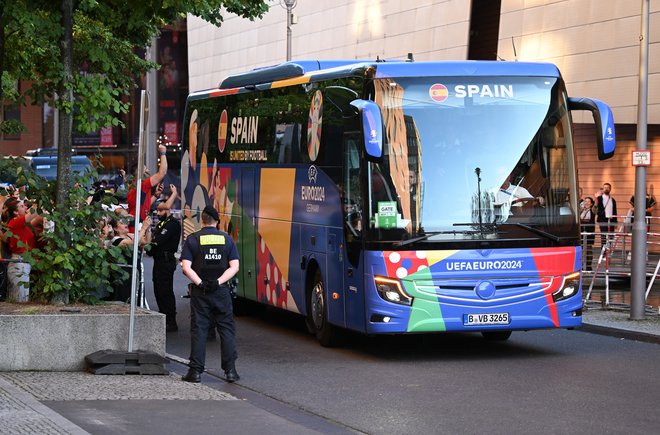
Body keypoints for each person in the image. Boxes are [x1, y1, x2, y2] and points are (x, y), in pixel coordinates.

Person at [180, 205, 240, 384]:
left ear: (202, 220)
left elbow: (185, 267)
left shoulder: (193, 239)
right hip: (221, 291)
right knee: (226, 330)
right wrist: (219, 282)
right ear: (217, 221)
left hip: (200, 292)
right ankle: (230, 371)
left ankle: (195, 372)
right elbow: (234, 266)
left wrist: (200, 283)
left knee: (199, 330)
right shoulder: (227, 240)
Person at [147, 186, 180, 332]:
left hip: (166, 261)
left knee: (165, 291)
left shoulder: (171, 224)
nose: (158, 213)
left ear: (168, 210)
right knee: (158, 291)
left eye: (160, 210)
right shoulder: (161, 224)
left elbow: (156, 241)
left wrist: (152, 242)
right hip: (159, 260)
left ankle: (170, 320)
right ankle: (164, 317)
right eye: (157, 210)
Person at [1, 198, 42, 302]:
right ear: (15, 212)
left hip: (23, 262)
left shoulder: (22, 225)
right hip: (19, 263)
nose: (25, 207)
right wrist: (40, 200)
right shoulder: (15, 221)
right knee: (20, 301)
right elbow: (34, 213)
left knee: (21, 299)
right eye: (21, 206)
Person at [108, 215, 152, 302]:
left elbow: (146, 241)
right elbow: (133, 243)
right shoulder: (115, 240)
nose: (125, 223)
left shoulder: (130, 235)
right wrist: (143, 228)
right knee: (124, 296)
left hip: (134, 270)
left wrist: (148, 228)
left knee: (135, 295)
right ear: (116, 228)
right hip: (122, 272)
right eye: (121, 223)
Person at [127, 144, 168, 223]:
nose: (148, 171)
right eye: (146, 169)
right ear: (141, 173)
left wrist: (156, 195)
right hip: (137, 223)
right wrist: (163, 153)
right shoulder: (141, 184)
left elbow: (144, 204)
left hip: (138, 221)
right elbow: (162, 173)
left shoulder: (135, 185)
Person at [595, 182, 617, 246]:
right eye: (605, 188)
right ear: (603, 189)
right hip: (603, 220)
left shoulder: (613, 200)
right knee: (604, 237)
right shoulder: (599, 198)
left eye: (608, 188)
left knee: (611, 236)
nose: (606, 189)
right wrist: (596, 198)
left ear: (610, 189)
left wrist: (615, 222)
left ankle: (608, 251)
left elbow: (615, 211)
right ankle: (603, 252)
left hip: (611, 220)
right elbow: (595, 207)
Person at [580, 197, 596, 271]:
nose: (586, 203)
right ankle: (581, 265)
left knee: (588, 248)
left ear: (591, 203)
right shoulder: (581, 210)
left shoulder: (592, 210)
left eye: (588, 201)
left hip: (589, 232)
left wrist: (596, 198)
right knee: (581, 249)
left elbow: (595, 207)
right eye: (585, 201)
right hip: (581, 232)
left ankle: (589, 265)